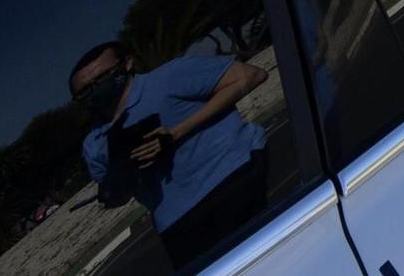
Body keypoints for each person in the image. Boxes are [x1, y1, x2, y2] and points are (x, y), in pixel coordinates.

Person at [69, 39, 270, 269]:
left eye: (101, 78)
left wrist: (176, 132)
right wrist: (121, 172)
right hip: (176, 220)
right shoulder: (94, 143)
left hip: (231, 178)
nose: (95, 90)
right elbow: (117, 196)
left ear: (127, 64)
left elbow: (251, 75)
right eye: (85, 91)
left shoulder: (169, 77)